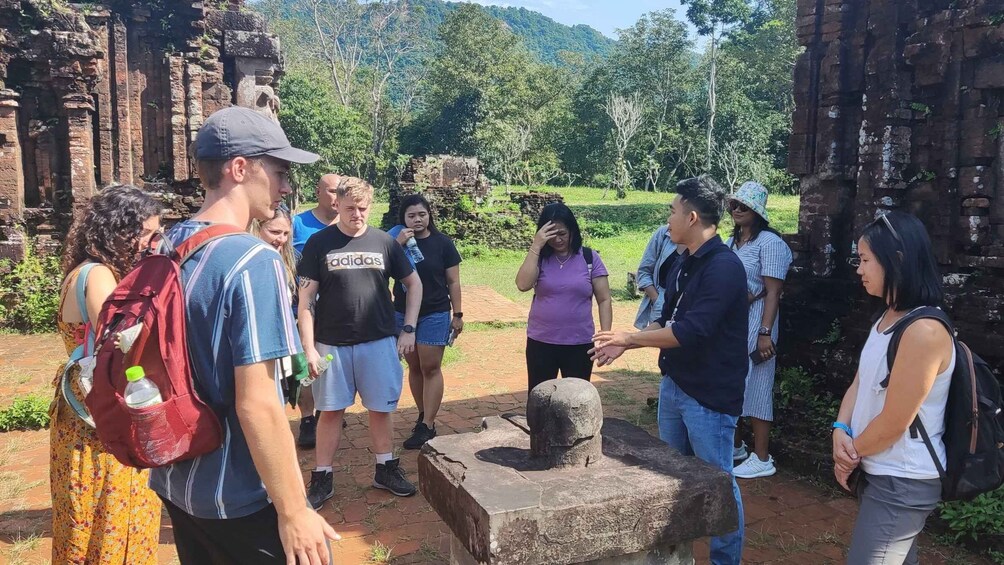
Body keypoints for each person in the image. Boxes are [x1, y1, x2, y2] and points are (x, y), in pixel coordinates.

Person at [151, 106, 338, 565]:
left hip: (179, 479)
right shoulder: (251, 259)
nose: (286, 186)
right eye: (278, 171)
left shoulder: (167, 244)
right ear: (239, 168)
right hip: (239, 491)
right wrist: (294, 510)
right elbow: (257, 401)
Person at [591, 176, 747, 565]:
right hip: (676, 384)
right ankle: (678, 555)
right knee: (671, 476)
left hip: (708, 395)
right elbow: (671, 318)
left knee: (718, 483)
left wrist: (629, 339)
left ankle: (725, 560)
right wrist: (627, 342)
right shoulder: (682, 261)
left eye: (672, 212)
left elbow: (693, 331)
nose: (668, 221)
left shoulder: (724, 268)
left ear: (692, 217)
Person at [832, 211, 955, 565]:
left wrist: (849, 455)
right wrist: (840, 427)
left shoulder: (924, 331)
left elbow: (895, 421)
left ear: (896, 261)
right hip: (881, 468)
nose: (859, 269)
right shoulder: (888, 317)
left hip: (902, 478)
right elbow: (862, 380)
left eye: (866, 259)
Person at [50, 184, 162, 564]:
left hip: (83, 419)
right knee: (111, 521)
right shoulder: (98, 275)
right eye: (148, 233)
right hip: (101, 426)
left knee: (86, 522)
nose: (153, 243)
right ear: (121, 231)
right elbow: (122, 345)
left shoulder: (86, 270)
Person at [298, 177, 422, 509]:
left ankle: (385, 468)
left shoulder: (385, 242)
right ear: (336, 204)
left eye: (363, 208)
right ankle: (322, 476)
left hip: (378, 341)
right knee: (330, 410)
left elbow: (413, 283)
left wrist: (408, 328)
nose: (357, 214)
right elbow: (306, 299)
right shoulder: (319, 243)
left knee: (381, 409)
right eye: (351, 208)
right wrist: (309, 348)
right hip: (331, 344)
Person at [726, 181, 793, 479]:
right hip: (734, 324)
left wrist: (765, 332)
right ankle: (737, 446)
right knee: (734, 385)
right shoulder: (733, 242)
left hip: (757, 325)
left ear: (757, 211)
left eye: (745, 206)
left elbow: (773, 292)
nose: (738, 209)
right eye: (734, 204)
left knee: (758, 387)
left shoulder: (770, 243)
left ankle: (762, 456)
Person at [387, 194, 464, 449]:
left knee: (431, 367)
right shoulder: (394, 242)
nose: (417, 219)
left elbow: (453, 281)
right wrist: (396, 245)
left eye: (422, 214)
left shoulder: (443, 244)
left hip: (435, 312)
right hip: (402, 312)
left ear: (429, 215)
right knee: (415, 367)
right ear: (403, 219)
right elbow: (381, 272)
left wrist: (458, 314)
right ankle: (422, 415)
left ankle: (428, 425)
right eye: (411, 215)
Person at [516, 202, 612, 392]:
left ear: (573, 231)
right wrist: (536, 245)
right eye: (552, 235)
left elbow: (604, 299)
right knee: (540, 398)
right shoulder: (540, 258)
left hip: (579, 343)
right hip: (541, 342)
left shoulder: (589, 258)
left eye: (562, 234)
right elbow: (522, 285)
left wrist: (606, 337)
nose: (558, 240)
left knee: (576, 400)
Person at [291, 173, 342, 447]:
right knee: (305, 362)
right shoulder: (298, 223)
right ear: (319, 191)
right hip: (304, 305)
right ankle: (308, 417)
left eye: (341, 191)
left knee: (331, 361)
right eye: (333, 191)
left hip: (337, 308)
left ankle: (329, 408)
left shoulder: (349, 223)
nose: (337, 197)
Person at [251, 206, 310, 405]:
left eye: (286, 234)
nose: (281, 239)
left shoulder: (289, 261)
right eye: (274, 232)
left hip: (280, 348)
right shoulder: (246, 262)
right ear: (256, 228)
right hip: (255, 350)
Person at [634, 222, 685, 329]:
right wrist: (656, 299)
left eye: (674, 212)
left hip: (690, 309)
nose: (670, 218)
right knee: (662, 343)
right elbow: (644, 271)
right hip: (661, 302)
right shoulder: (664, 233)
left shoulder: (705, 244)